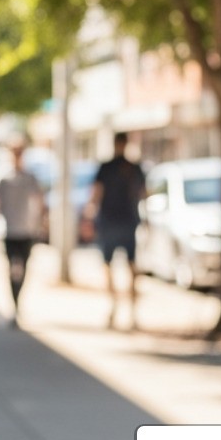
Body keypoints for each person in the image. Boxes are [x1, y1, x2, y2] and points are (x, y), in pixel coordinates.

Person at [0, 143, 45, 327]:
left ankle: (18, 302)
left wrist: (42, 223)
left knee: (23, 268)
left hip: (27, 230)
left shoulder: (30, 178)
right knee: (13, 268)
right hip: (10, 230)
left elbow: (40, 201)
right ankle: (15, 306)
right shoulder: (3, 177)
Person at [83, 131, 146, 329]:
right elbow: (143, 194)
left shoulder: (111, 168)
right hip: (124, 221)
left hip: (114, 221)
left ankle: (120, 309)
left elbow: (96, 194)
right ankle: (125, 311)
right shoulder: (132, 168)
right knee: (127, 266)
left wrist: (89, 216)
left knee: (115, 266)